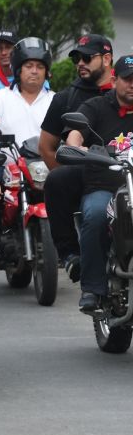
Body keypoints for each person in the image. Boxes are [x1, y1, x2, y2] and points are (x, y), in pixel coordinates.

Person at [63, 54, 133, 313]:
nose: (132, 84)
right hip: (106, 188)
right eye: (127, 79)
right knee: (95, 216)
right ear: (114, 80)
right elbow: (75, 132)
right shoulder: (97, 106)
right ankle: (92, 288)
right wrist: (75, 145)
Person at [40, 33, 116, 269]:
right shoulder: (65, 98)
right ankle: (70, 254)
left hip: (125, 171)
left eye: (86, 57)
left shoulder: (125, 91)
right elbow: (46, 146)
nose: (80, 63)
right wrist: (69, 172)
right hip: (88, 176)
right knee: (56, 180)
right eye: (76, 59)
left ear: (107, 59)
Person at [0, 37, 53, 145]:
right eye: (28, 66)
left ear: (46, 72)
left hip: (46, 161)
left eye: (40, 67)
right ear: (18, 70)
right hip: (9, 160)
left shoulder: (55, 100)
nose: (34, 71)